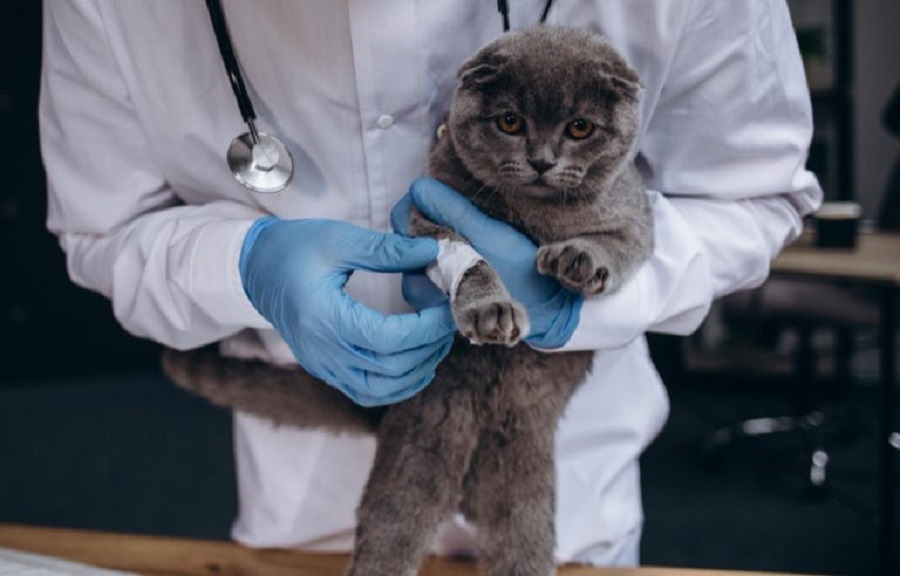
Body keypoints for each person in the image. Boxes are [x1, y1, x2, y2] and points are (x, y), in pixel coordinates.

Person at [39, 0, 821, 566]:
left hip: (572, 451)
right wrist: (244, 264)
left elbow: (759, 195)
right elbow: (104, 230)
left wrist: (591, 291)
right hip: (304, 500)